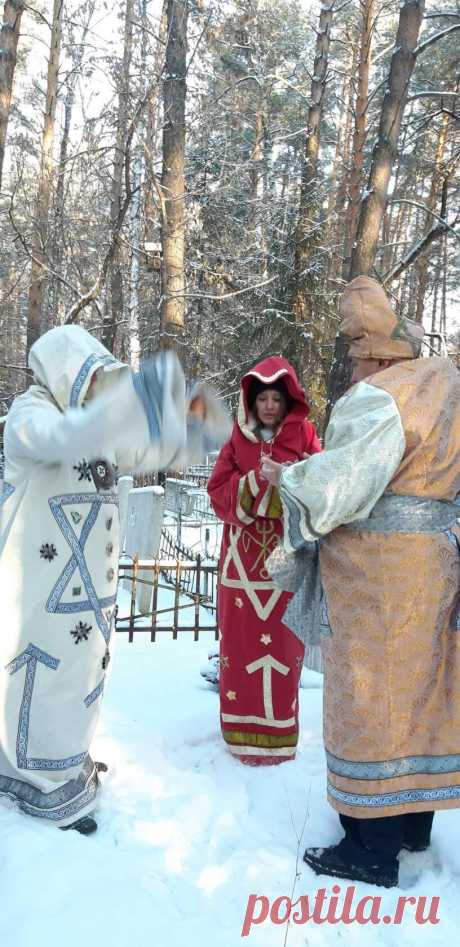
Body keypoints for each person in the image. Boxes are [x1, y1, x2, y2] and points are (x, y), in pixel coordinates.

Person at [262, 276, 460, 887]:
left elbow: (344, 488)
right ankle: (409, 828)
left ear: (376, 353)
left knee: (370, 697)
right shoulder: (446, 385)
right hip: (433, 564)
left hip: (379, 575)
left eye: (353, 358)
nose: (350, 371)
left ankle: (368, 850)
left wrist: (286, 479)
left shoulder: (380, 398)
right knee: (420, 694)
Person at [0, 325, 229, 834]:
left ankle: (65, 763)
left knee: (79, 683)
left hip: (88, 599)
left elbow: (150, 451)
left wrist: (187, 424)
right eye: (93, 384)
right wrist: (126, 410)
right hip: (41, 593)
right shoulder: (32, 412)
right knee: (41, 682)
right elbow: (62, 438)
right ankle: (36, 781)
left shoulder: (94, 428)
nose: (99, 396)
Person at [207, 356, 321, 764]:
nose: (269, 406)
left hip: (285, 570)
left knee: (283, 655)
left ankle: (279, 735)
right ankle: (239, 735)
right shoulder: (237, 439)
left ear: (288, 400)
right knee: (239, 653)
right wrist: (256, 481)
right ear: (251, 401)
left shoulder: (305, 435)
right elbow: (217, 489)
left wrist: (288, 480)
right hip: (240, 572)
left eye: (276, 398)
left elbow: (322, 486)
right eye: (263, 398)